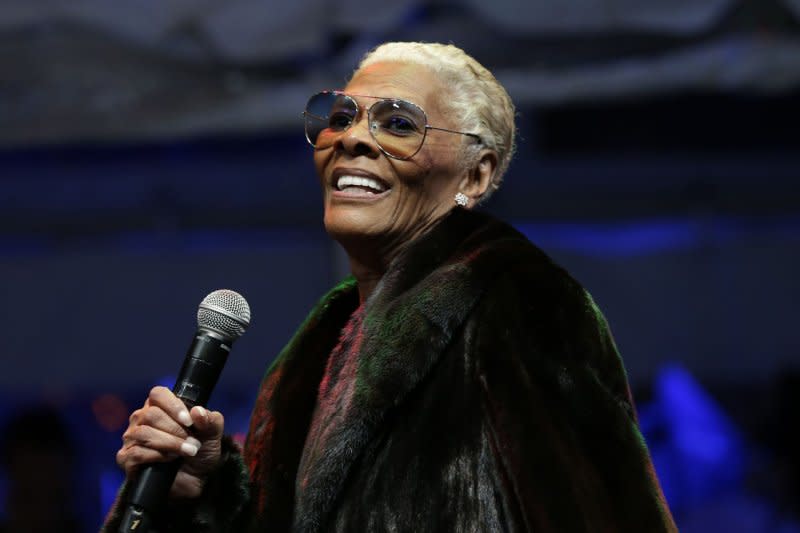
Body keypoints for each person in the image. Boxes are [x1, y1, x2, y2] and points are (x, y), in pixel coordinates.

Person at [104, 42, 677, 532]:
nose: (352, 138)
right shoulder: (328, 336)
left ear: (476, 174)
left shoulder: (517, 300)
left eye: (398, 123)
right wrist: (204, 490)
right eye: (342, 116)